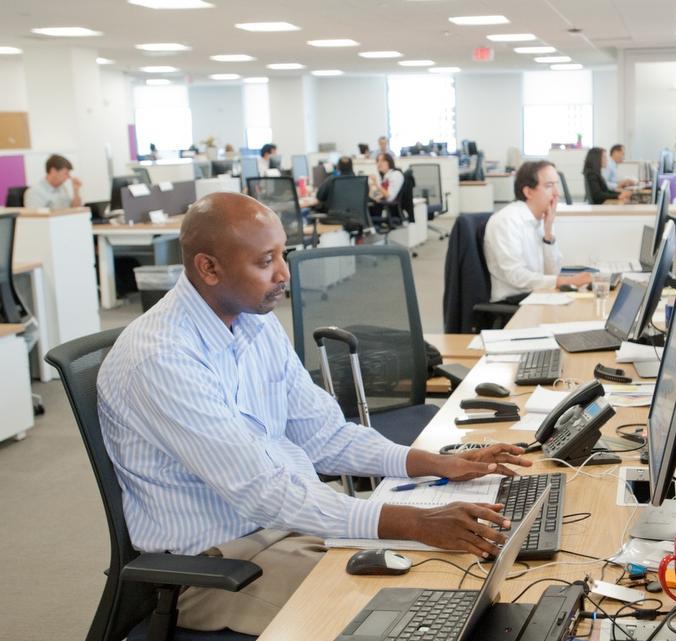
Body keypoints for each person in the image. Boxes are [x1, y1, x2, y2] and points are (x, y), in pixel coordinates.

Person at [96, 192, 528, 634]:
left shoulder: (254, 322)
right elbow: (261, 492)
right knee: (416, 613)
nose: (284, 273)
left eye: (284, 254)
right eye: (266, 262)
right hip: (220, 565)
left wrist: (438, 464)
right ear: (209, 268)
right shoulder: (162, 359)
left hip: (291, 528)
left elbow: (324, 436)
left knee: (455, 575)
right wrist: (415, 521)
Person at [484, 160, 592, 302]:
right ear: (528, 192)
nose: (557, 193)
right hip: (515, 301)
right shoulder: (507, 221)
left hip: (538, 294)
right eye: (549, 186)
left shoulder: (543, 219)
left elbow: (552, 273)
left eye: (556, 185)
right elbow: (516, 275)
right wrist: (564, 281)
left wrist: (548, 235)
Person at [369, 152, 405, 224]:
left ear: (389, 162)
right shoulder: (386, 176)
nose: (379, 163)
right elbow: (378, 196)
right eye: (378, 161)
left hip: (388, 204)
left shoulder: (395, 174)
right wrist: (371, 187)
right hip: (380, 202)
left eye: (382, 161)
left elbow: (389, 197)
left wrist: (376, 184)